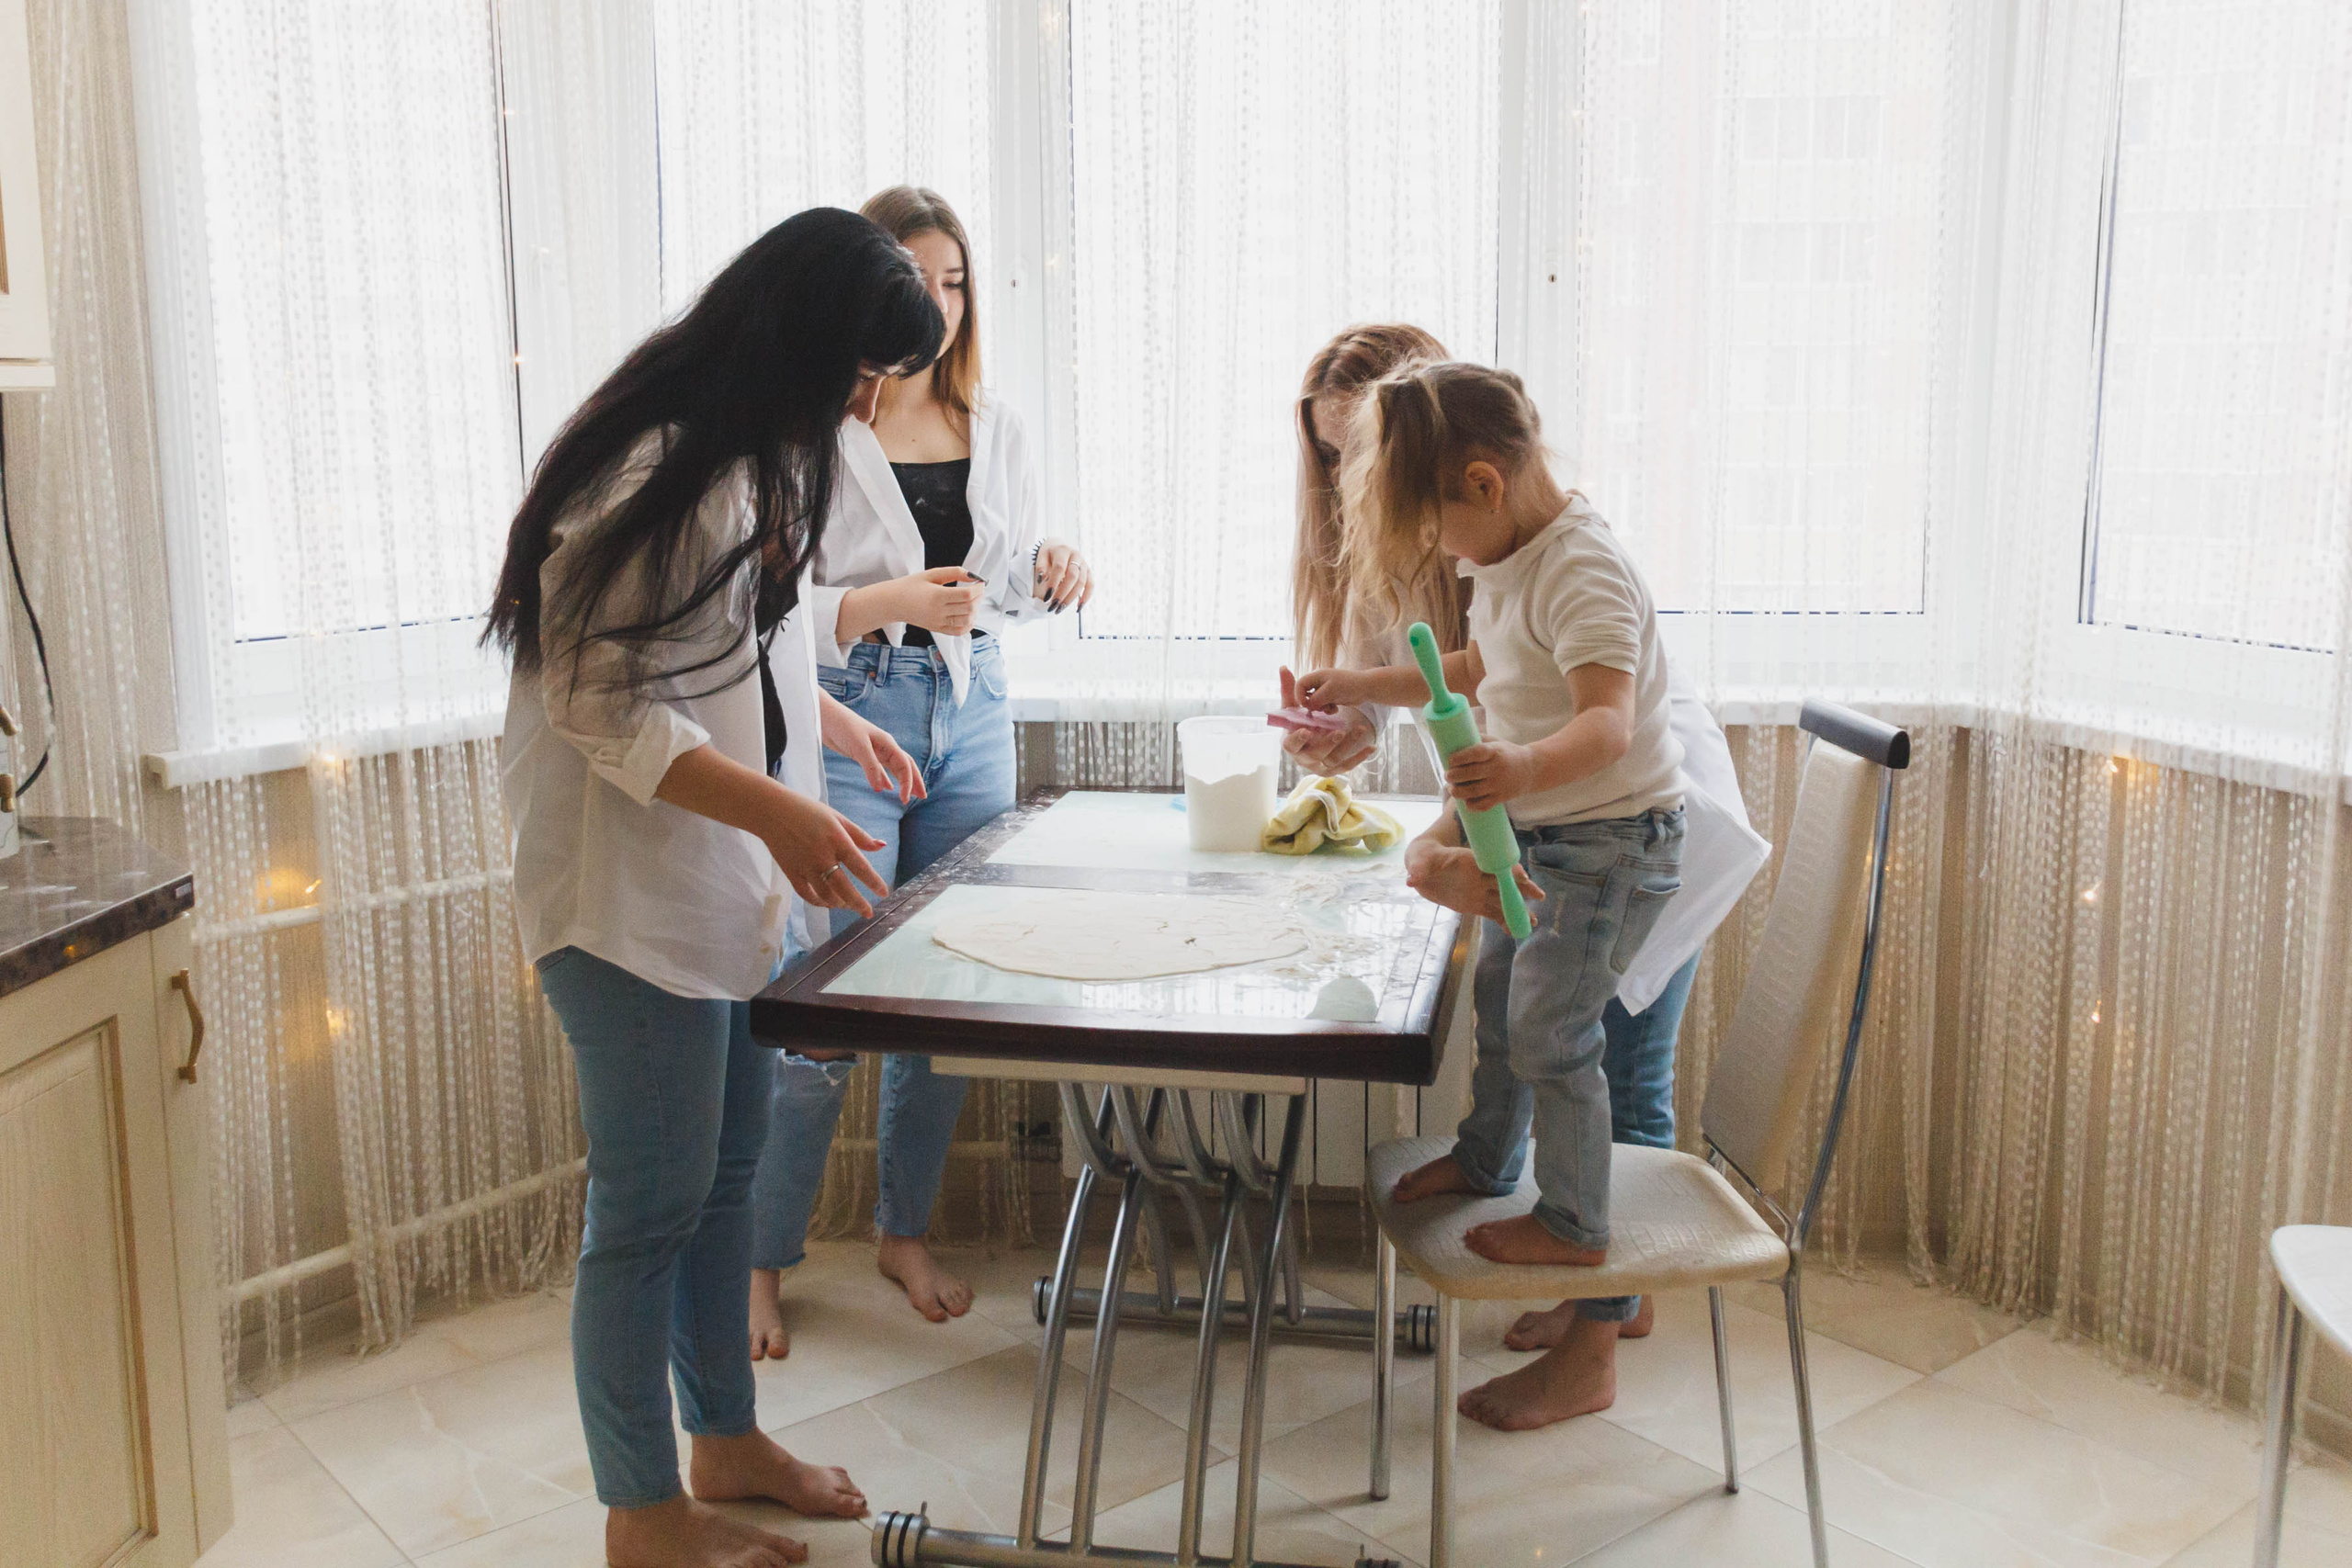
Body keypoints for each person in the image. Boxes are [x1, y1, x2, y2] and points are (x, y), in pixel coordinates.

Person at [488, 207, 942, 1568]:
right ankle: (641, 1508)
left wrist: (833, 731)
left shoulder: (760, 463)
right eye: (863, 375)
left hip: (717, 881)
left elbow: (753, 640)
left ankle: (724, 1437)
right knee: (647, 1205)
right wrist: (786, 812)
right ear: (806, 347)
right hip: (625, 901)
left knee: (726, 1176)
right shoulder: (658, 474)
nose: (868, 405)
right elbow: (600, 705)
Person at [1284, 326, 1764, 1369]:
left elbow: (1600, 724)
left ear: (1486, 482)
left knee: (1557, 1040)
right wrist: (1362, 686)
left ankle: (1578, 1229)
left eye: (1439, 533)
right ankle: (1486, 1157)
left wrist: (1516, 771)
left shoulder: (1581, 570)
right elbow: (1477, 663)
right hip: (1556, 835)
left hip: (1610, 847)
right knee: (1504, 1011)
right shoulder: (1515, 556)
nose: (1443, 558)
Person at [746, 186, 1095, 1359]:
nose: (936, 305)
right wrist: (884, 604)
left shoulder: (992, 419)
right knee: (824, 994)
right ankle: (761, 1256)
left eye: (953, 283)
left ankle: (904, 1230)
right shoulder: (810, 423)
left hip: (971, 702)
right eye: (915, 280)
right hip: (849, 705)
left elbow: (994, 590)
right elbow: (765, 605)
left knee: (947, 985)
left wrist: (1053, 566)